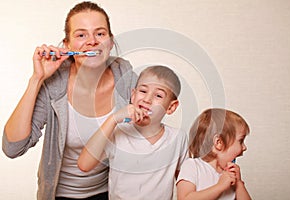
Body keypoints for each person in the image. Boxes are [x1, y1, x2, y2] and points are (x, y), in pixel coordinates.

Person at [2, 1, 137, 200]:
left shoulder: (124, 75)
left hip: (112, 192)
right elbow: (13, 148)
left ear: (110, 41)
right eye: (81, 35)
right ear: (67, 45)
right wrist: (37, 79)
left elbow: (143, 134)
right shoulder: (54, 84)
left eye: (100, 33)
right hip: (59, 194)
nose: (92, 41)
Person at [78, 65, 188, 200]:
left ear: (171, 107)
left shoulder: (178, 138)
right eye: (143, 91)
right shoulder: (118, 132)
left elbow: (185, 182)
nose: (147, 99)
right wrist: (112, 120)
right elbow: (84, 164)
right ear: (133, 95)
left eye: (158, 95)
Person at [176, 108, 252, 200]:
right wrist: (220, 186)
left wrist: (239, 184)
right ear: (218, 142)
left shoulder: (231, 175)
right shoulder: (192, 166)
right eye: (240, 141)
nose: (244, 147)